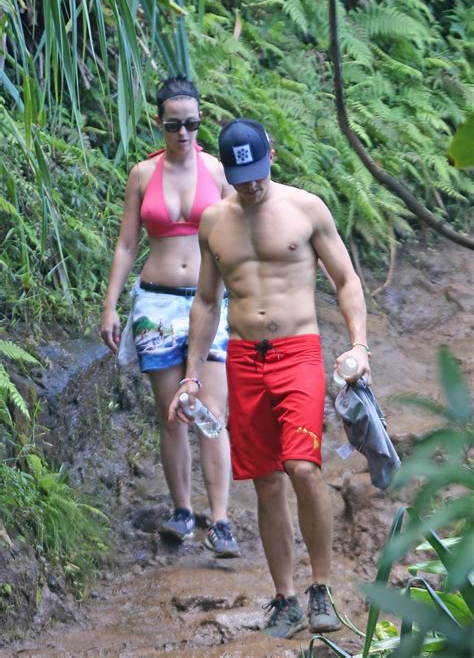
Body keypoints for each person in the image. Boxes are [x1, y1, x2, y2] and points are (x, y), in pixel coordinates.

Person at [169, 118, 371, 638]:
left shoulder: (306, 209)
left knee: (303, 467)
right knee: (265, 480)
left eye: (257, 174)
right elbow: (208, 300)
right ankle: (284, 597)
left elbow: (346, 279)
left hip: (297, 352)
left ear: (272, 157)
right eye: (241, 178)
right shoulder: (214, 220)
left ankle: (321, 588)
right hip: (242, 358)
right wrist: (192, 375)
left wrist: (359, 345)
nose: (251, 185)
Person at [100, 76, 240, 559]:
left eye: (193, 124)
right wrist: (110, 304)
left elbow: (237, 237)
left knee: (211, 414)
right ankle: (183, 509)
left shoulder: (217, 172)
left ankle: (220, 520)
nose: (184, 133)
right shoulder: (143, 174)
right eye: (174, 125)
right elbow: (126, 244)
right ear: (159, 122)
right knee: (171, 416)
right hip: (156, 301)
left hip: (208, 299)